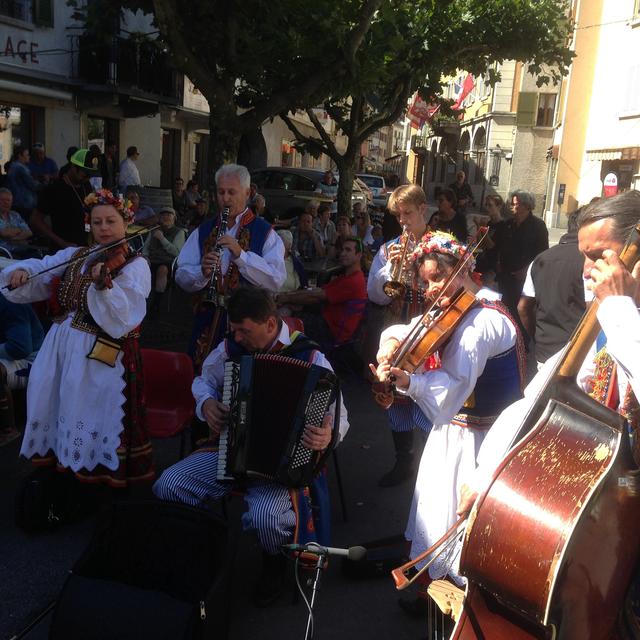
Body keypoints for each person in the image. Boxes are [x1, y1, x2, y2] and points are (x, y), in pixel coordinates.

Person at [457, 190, 640, 635]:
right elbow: (539, 397)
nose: (586, 270)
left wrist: (617, 306)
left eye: (599, 256)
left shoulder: (619, 317)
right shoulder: (610, 322)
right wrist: (488, 476)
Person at [153, 287, 349, 606]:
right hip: (231, 451)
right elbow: (203, 380)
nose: (238, 337)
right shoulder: (231, 347)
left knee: (264, 518)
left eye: (245, 330)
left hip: (283, 466)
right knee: (169, 484)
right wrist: (207, 404)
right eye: (235, 330)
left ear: (270, 324)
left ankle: (273, 561)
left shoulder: (311, 356)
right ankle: (206, 548)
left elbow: (340, 412)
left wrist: (327, 434)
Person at [370, 230, 524, 610]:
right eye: (425, 281)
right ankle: (431, 585)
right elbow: (413, 327)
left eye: (438, 278)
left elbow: (453, 389)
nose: (431, 289)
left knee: (460, 518)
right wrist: (391, 343)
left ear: (466, 269)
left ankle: (462, 601)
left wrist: (410, 383)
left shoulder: (480, 324)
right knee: (432, 509)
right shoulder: (458, 308)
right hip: (455, 431)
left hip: (482, 439)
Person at [0, 188, 153, 493]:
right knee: (60, 405)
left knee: (91, 411)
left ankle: (97, 487)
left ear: (126, 223)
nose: (104, 229)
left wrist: (105, 286)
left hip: (102, 354)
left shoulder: (135, 265)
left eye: (111, 221)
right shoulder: (76, 255)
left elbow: (124, 316)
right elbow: (42, 268)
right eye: (97, 223)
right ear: (89, 225)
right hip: (62, 349)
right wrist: (20, 272)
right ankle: (64, 478)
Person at [175, 163, 286, 371]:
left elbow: (276, 279)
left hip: (248, 325)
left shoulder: (265, 233)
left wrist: (241, 256)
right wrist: (202, 272)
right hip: (208, 322)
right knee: (203, 377)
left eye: (231, 192)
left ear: (247, 193)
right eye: (221, 192)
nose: (225, 198)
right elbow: (181, 274)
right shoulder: (204, 229)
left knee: (243, 382)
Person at [368, 184, 431, 487]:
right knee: (395, 395)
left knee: (429, 396)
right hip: (398, 331)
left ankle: (434, 461)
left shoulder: (441, 245)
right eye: (398, 215)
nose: (403, 220)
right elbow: (375, 296)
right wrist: (389, 269)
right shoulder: (388, 248)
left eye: (408, 213)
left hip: (432, 333)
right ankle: (404, 461)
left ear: (422, 209)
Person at [517, 209, 585, 368]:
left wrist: (537, 337)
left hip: (545, 351)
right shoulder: (589, 260)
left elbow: (523, 307)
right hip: (578, 355)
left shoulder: (540, 259)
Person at [276, 237, 367, 349]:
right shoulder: (346, 277)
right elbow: (318, 291)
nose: (342, 253)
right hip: (326, 321)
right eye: (342, 249)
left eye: (348, 250)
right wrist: (289, 296)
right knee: (296, 308)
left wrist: (286, 298)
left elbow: (317, 296)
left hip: (330, 332)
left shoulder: (354, 280)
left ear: (359, 255)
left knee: (283, 323)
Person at [493, 189, 549, 319]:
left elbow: (542, 254)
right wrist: (498, 263)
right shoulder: (508, 224)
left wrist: (526, 270)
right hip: (505, 276)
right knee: (504, 310)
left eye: (515, 204)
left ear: (526, 206)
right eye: (511, 204)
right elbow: (500, 246)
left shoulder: (538, 226)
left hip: (523, 279)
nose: (512, 207)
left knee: (519, 312)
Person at [30, 148, 98, 250]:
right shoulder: (54, 189)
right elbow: (35, 220)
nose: (87, 178)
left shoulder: (86, 185)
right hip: (63, 251)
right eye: (85, 174)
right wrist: (61, 242)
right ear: (73, 167)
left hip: (85, 248)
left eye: (90, 175)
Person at [0, 293, 44, 447]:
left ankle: (8, 429)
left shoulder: (10, 300)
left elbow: (20, 347)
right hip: (9, 357)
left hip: (34, 361)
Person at [142, 206, 186, 296]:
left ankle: (157, 302)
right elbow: (146, 248)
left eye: (169, 215)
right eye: (163, 215)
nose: (166, 217)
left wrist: (162, 239)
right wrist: (145, 257)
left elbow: (177, 252)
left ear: (174, 218)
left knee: (162, 270)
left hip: (167, 261)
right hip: (151, 259)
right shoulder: (154, 230)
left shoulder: (179, 232)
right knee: (139, 266)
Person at [6, 146, 40, 221]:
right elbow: (33, 185)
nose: (29, 157)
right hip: (24, 203)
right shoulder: (21, 168)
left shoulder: (13, 166)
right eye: (27, 155)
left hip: (18, 202)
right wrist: (44, 184)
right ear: (20, 156)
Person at [0, 187, 34, 256]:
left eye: (8, 200)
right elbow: (5, 233)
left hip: (22, 252)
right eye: (2, 200)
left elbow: (29, 232)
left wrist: (13, 238)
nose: (6, 202)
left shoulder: (15, 215)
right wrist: (21, 231)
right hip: (4, 254)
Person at [275, 230, 307, 294]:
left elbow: (302, 284)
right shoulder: (269, 259)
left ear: (289, 246)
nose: (276, 247)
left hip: (291, 295)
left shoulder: (295, 262)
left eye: (280, 244)